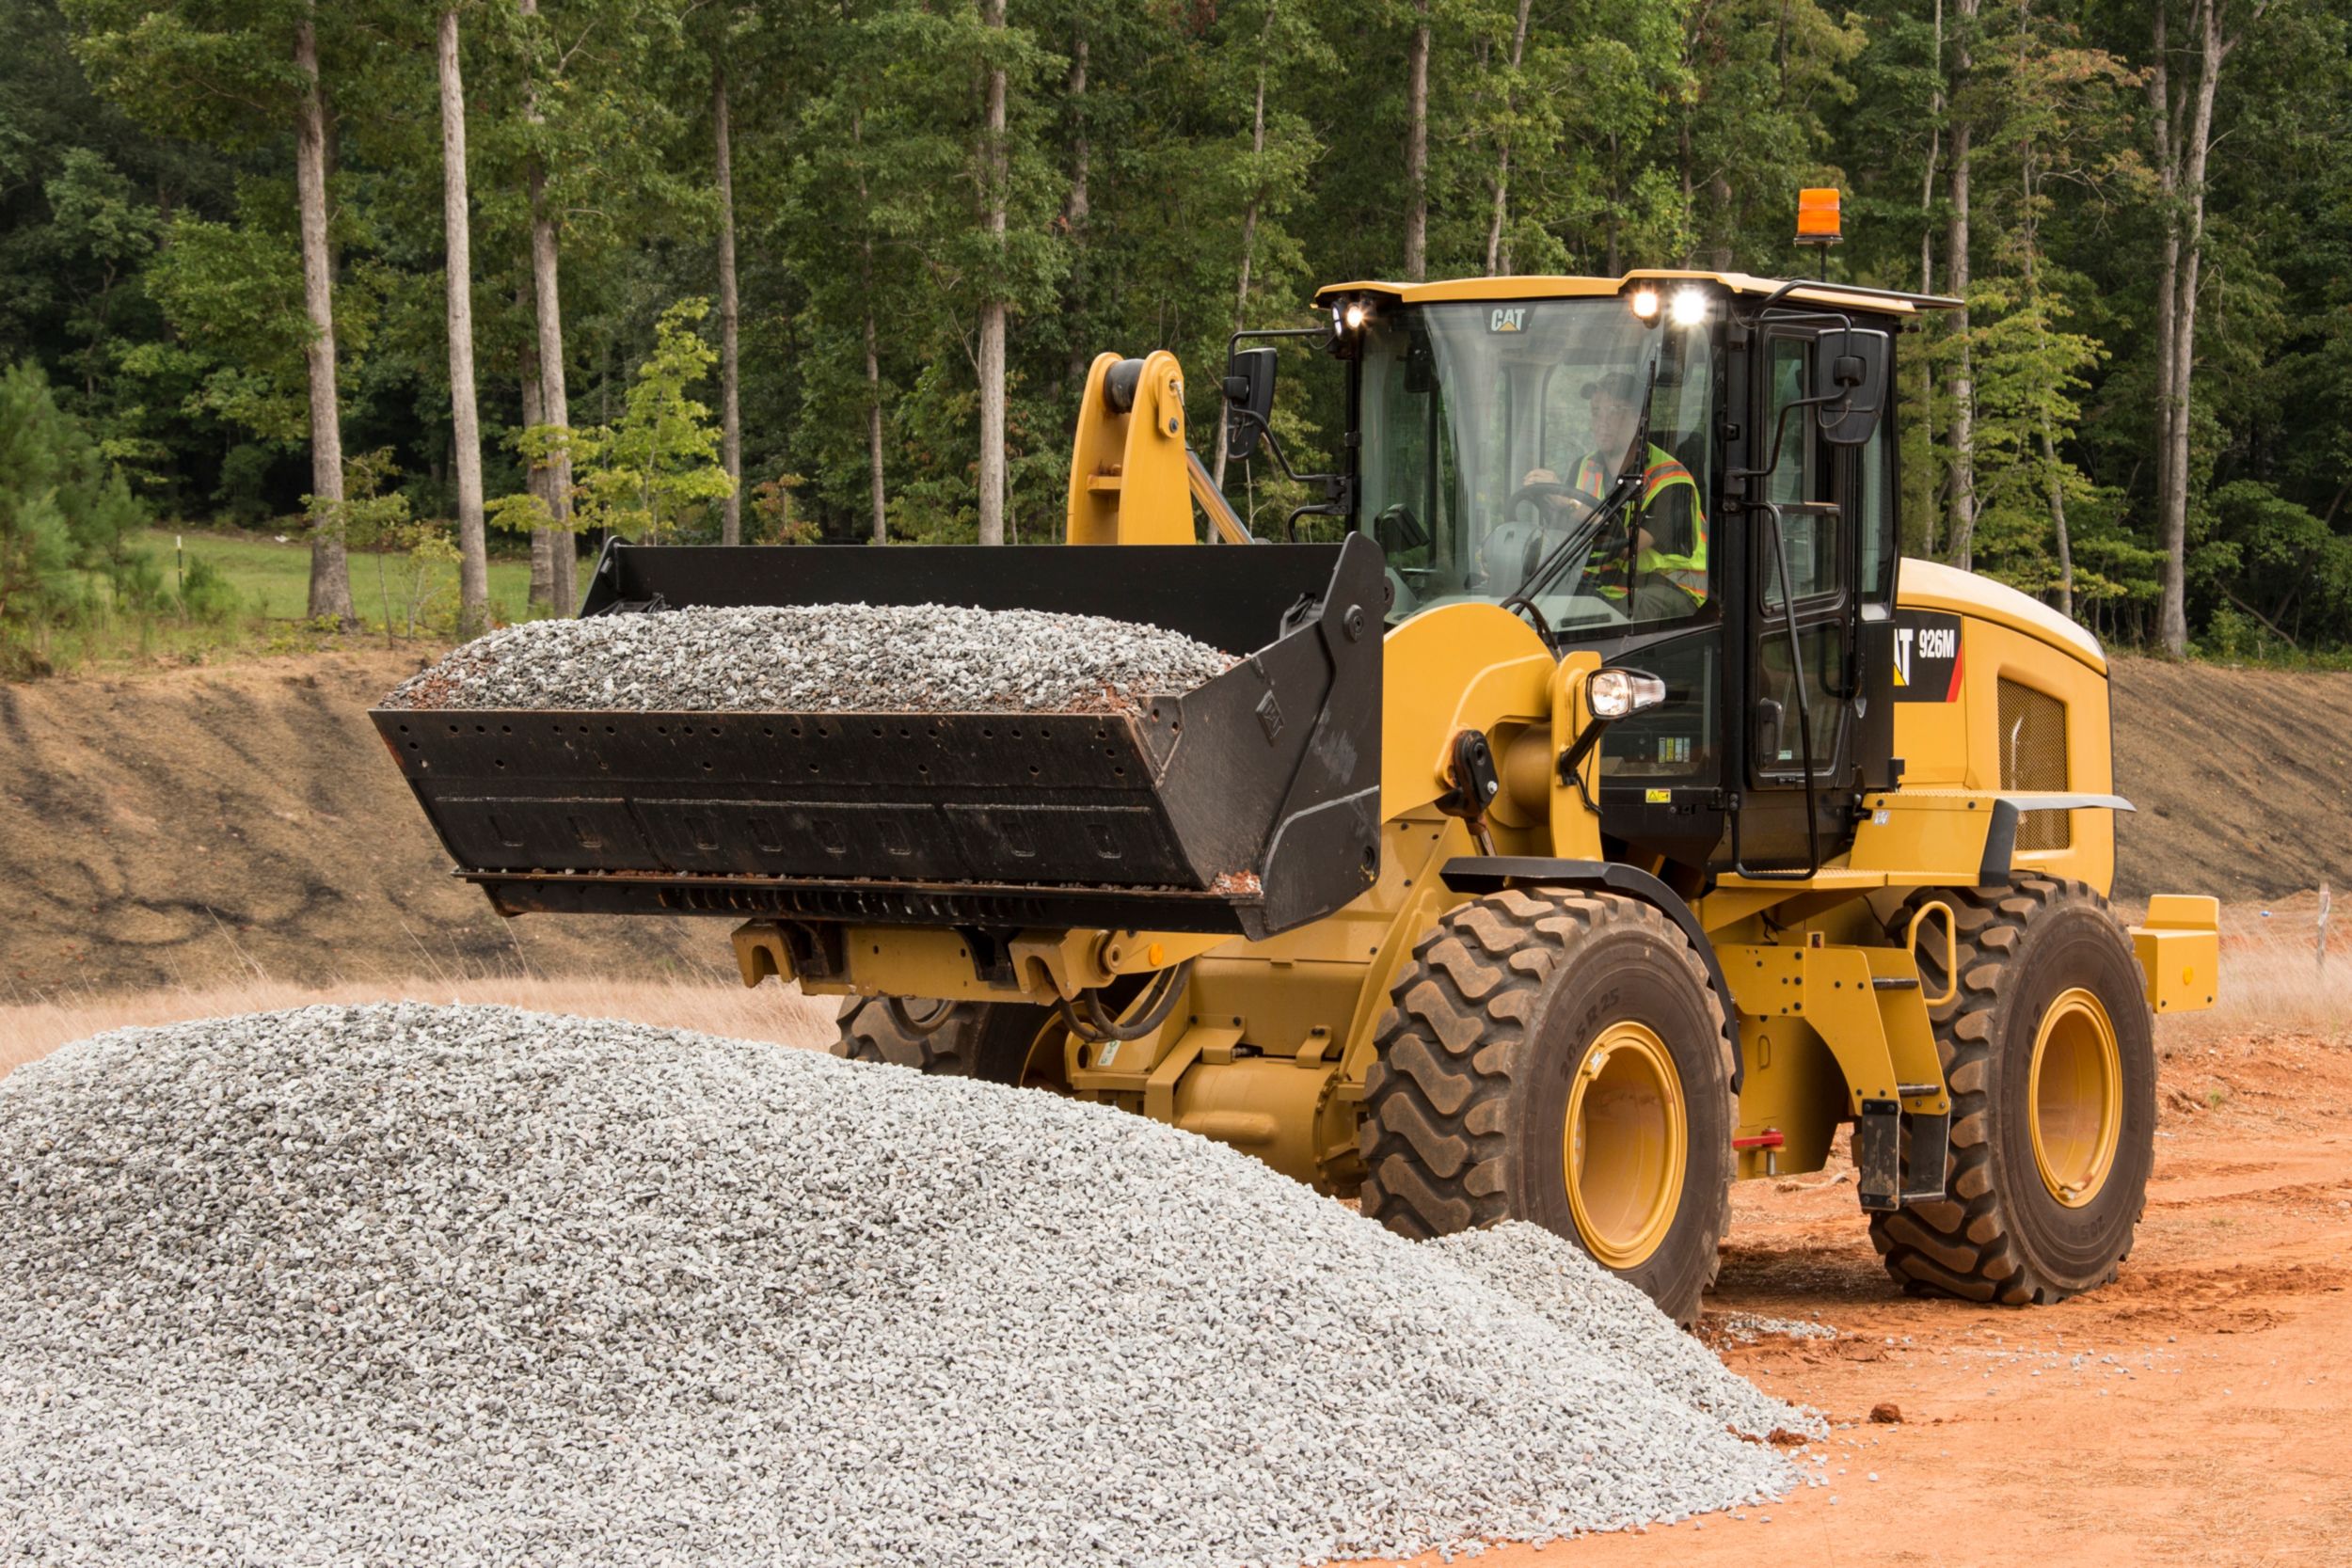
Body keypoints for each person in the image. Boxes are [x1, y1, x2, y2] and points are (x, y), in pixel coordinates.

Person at [1520, 370, 1708, 621]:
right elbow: (1568, 533)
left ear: (1638, 419)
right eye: (1596, 411)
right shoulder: (1583, 466)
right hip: (1607, 585)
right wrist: (1550, 508)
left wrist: (1570, 504)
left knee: (1616, 613)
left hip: (1668, 589)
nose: (1602, 421)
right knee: (1531, 604)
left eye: (1615, 410)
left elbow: (1626, 546)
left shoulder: (1672, 480)